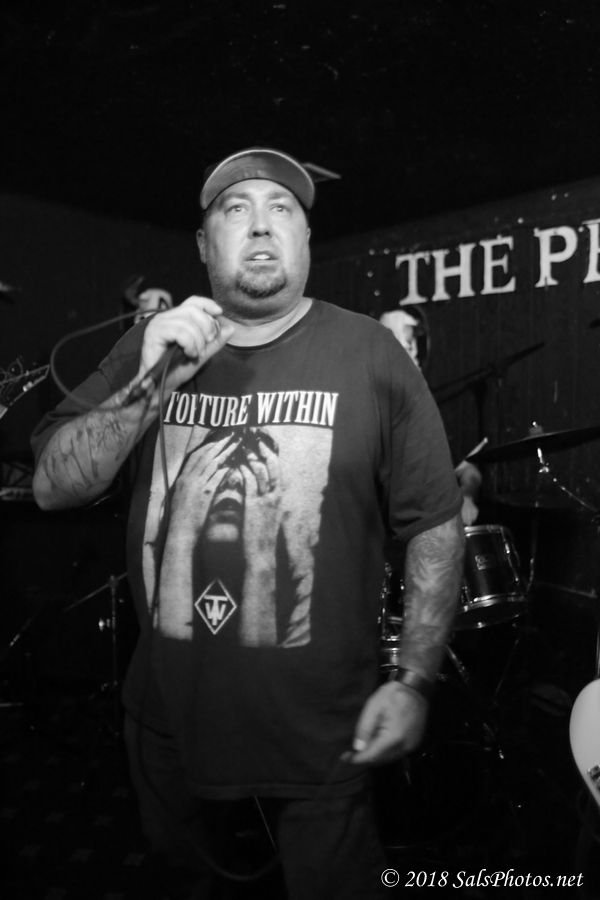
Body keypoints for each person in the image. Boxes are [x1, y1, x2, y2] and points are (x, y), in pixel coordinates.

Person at [31, 147, 465, 900]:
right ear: (205, 247)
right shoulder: (148, 346)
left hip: (325, 729)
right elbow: (51, 489)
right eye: (237, 210)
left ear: (305, 240)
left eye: (282, 210)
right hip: (168, 720)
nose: (261, 225)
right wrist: (151, 385)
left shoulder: (370, 352)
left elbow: (434, 521)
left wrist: (416, 679)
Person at [379, 306, 482, 526]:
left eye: (411, 345)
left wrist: (466, 496)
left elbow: (469, 471)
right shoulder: (367, 410)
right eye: (405, 345)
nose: (413, 353)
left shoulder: (427, 411)